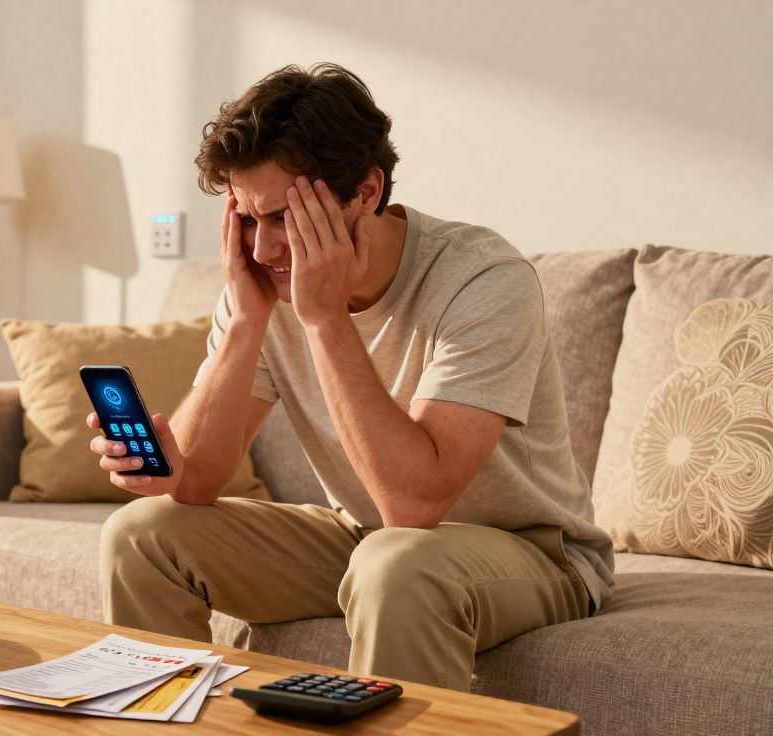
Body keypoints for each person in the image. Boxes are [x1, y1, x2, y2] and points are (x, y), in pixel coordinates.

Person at [87, 63, 614, 692]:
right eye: (248, 219)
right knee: (141, 536)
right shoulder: (260, 285)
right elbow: (195, 481)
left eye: (286, 217)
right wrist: (245, 324)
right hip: (369, 538)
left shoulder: (484, 280)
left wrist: (324, 318)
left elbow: (414, 503)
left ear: (365, 192)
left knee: (396, 564)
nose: (262, 250)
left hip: (532, 550)